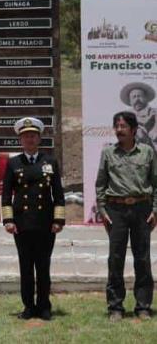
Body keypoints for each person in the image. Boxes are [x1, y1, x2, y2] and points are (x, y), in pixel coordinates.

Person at [95, 111, 157, 321]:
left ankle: (143, 306)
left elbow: (155, 183)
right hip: (116, 211)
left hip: (142, 210)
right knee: (115, 259)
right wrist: (103, 211)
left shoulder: (147, 152)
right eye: (117, 126)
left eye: (123, 126)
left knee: (142, 259)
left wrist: (155, 210)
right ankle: (115, 307)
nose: (119, 130)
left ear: (134, 130)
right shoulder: (108, 153)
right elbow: (100, 184)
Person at [1, 117, 65, 321]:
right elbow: (6, 195)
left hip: (45, 224)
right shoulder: (13, 163)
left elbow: (59, 194)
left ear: (39, 138)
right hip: (22, 224)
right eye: (26, 136)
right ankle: (28, 306)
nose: (30, 139)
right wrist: (8, 221)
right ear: (21, 140)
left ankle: (44, 306)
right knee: (26, 267)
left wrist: (59, 220)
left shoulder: (50, 162)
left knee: (44, 267)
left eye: (33, 135)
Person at [120, 82, 157, 147]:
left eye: (139, 96)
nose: (137, 99)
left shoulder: (155, 113)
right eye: (134, 97)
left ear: (146, 98)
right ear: (130, 101)